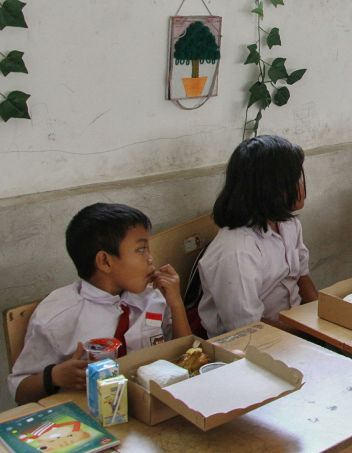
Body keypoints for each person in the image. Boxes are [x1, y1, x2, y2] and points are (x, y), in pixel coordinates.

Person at [8, 203, 191, 404]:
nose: (150, 259)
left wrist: (176, 303)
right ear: (105, 261)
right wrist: (54, 377)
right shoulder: (57, 316)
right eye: (141, 250)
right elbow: (20, 391)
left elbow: (185, 359)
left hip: (150, 405)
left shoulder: (152, 299)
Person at [198, 135, 318, 337]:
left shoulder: (288, 224)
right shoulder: (237, 250)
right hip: (254, 344)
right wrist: (308, 335)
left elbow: (302, 277)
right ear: (270, 189)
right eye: (295, 180)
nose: (302, 187)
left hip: (295, 330)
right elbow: (247, 327)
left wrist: (323, 319)